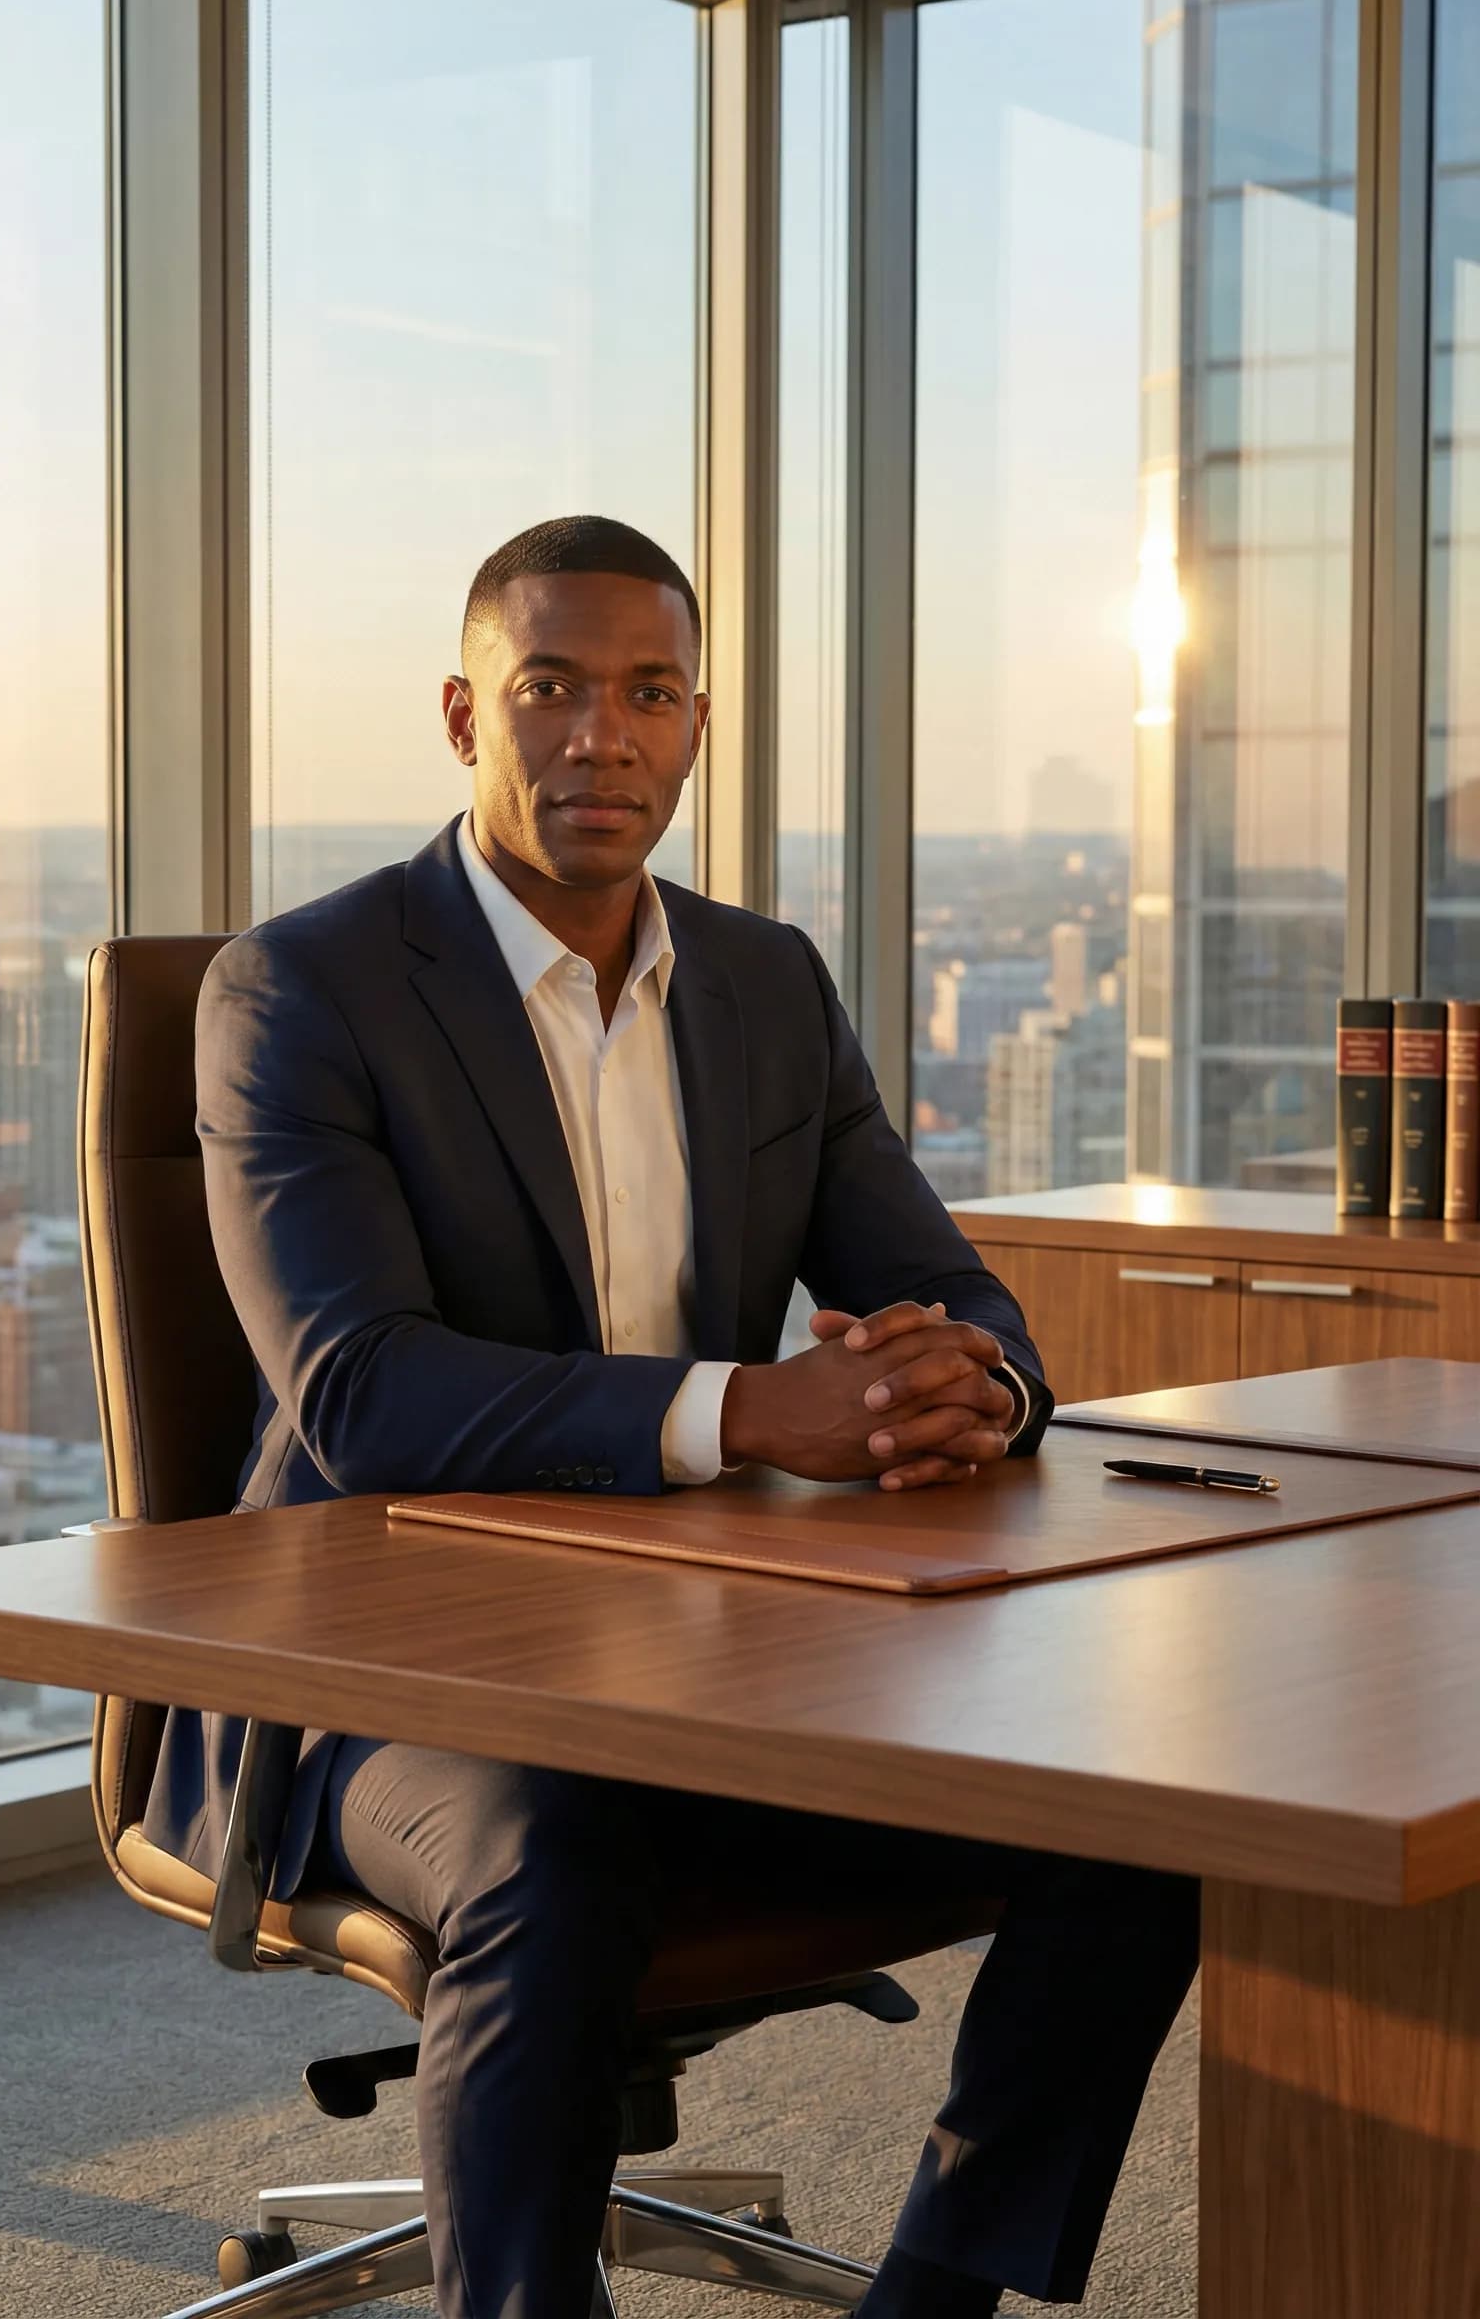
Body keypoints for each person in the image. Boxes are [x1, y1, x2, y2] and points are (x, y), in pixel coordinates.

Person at [151, 515, 1200, 2318]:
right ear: (467, 712)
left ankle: (934, 2292)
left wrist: (980, 1385)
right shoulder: (303, 988)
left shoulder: (765, 984)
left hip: (710, 1668)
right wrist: (754, 1412)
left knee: (1154, 1808)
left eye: (647, 696)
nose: (598, 738)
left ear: (694, 730)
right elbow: (363, 1389)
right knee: (560, 1848)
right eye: (549, 689)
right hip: (381, 1683)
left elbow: (955, 1290)